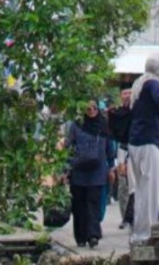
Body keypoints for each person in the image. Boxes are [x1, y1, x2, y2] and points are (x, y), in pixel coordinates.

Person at [128, 53, 159, 243]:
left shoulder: (139, 83)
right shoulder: (153, 84)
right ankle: (147, 232)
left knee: (140, 189)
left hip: (135, 142)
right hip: (147, 141)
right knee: (151, 189)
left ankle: (139, 230)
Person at [65, 100, 115, 249]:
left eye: (94, 107)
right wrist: (65, 169)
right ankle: (80, 236)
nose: (91, 110)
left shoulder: (103, 124)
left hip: (97, 171)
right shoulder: (76, 125)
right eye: (88, 108)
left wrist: (111, 168)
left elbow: (110, 147)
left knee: (93, 203)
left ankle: (93, 235)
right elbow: (69, 147)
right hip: (78, 171)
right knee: (78, 205)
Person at [108, 85, 134, 229]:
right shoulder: (117, 112)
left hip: (137, 149)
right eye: (125, 93)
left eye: (130, 92)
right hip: (123, 149)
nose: (127, 95)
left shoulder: (138, 110)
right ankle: (125, 217)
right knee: (123, 185)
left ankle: (133, 216)